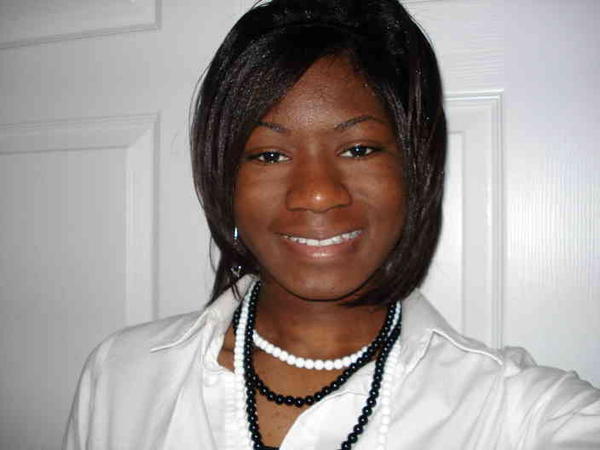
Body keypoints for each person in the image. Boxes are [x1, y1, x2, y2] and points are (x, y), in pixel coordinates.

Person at [64, 0, 600, 449]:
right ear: (224, 182)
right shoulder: (122, 376)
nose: (317, 193)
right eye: (269, 154)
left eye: (359, 148)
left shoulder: (519, 412)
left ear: (414, 169)